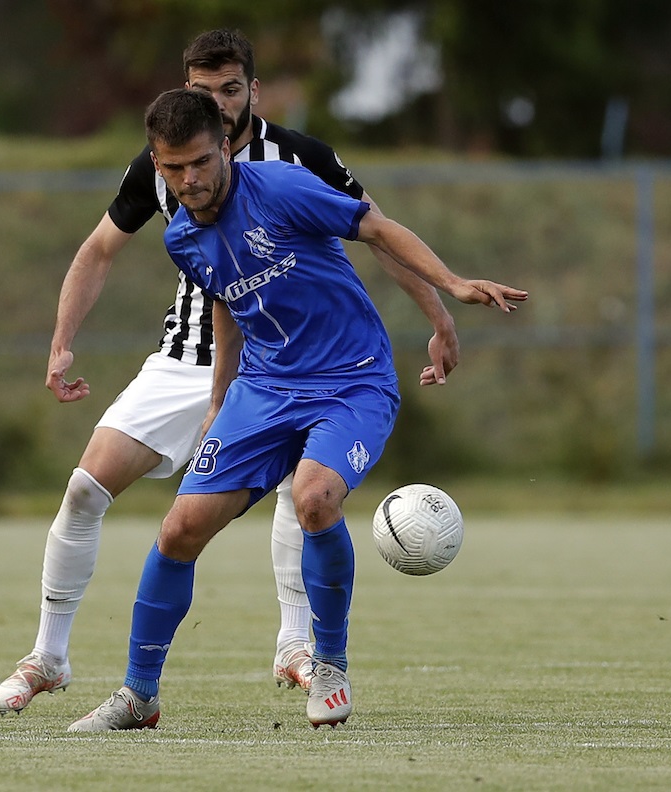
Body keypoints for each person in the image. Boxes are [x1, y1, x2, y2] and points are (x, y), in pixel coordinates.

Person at [0, 29, 461, 715]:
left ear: (250, 93)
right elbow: (121, 258)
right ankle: (55, 661)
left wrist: (442, 312)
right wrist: (63, 344)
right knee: (103, 494)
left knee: (309, 494)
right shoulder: (167, 183)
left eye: (230, 90)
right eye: (204, 92)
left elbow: (378, 234)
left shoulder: (296, 163)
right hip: (200, 363)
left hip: (320, 368)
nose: (218, 105)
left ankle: (306, 651)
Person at [68, 88, 527, 731]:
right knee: (178, 531)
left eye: (200, 161)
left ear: (224, 147)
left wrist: (450, 287)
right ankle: (139, 695)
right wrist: (219, 399)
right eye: (172, 168)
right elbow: (228, 304)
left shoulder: (282, 187)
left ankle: (329, 666)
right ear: (156, 163)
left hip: (351, 381)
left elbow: (377, 227)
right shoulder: (180, 237)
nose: (189, 179)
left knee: (313, 499)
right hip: (263, 390)